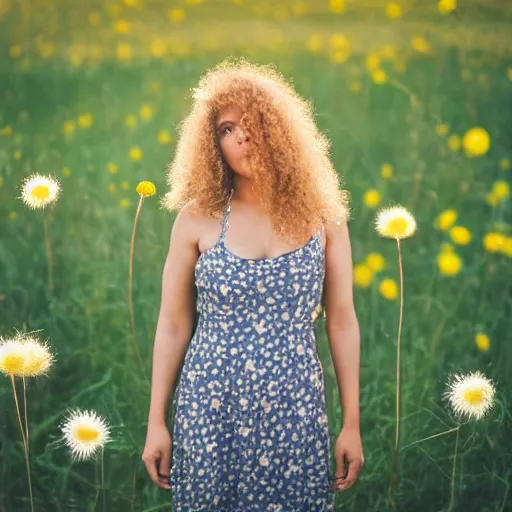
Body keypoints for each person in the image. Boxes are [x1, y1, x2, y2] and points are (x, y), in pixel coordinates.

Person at [142, 57, 364, 510]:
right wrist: (156, 422)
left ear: (278, 130)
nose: (240, 136)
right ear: (212, 145)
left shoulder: (323, 219)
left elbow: (341, 323)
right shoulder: (195, 219)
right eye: (225, 129)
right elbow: (172, 325)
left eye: (252, 122)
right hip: (209, 408)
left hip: (294, 408)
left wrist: (351, 424)